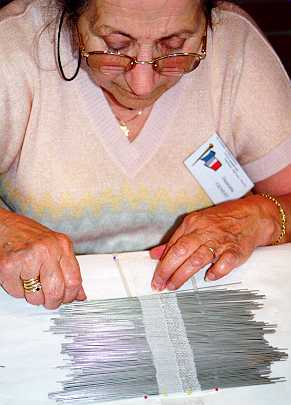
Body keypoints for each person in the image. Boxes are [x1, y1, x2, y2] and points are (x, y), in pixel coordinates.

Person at [0, 0, 290, 309]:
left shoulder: (234, 46)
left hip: (206, 309)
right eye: (115, 46)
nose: (142, 85)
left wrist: (264, 217)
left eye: (175, 46)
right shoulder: (15, 48)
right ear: (72, 21)